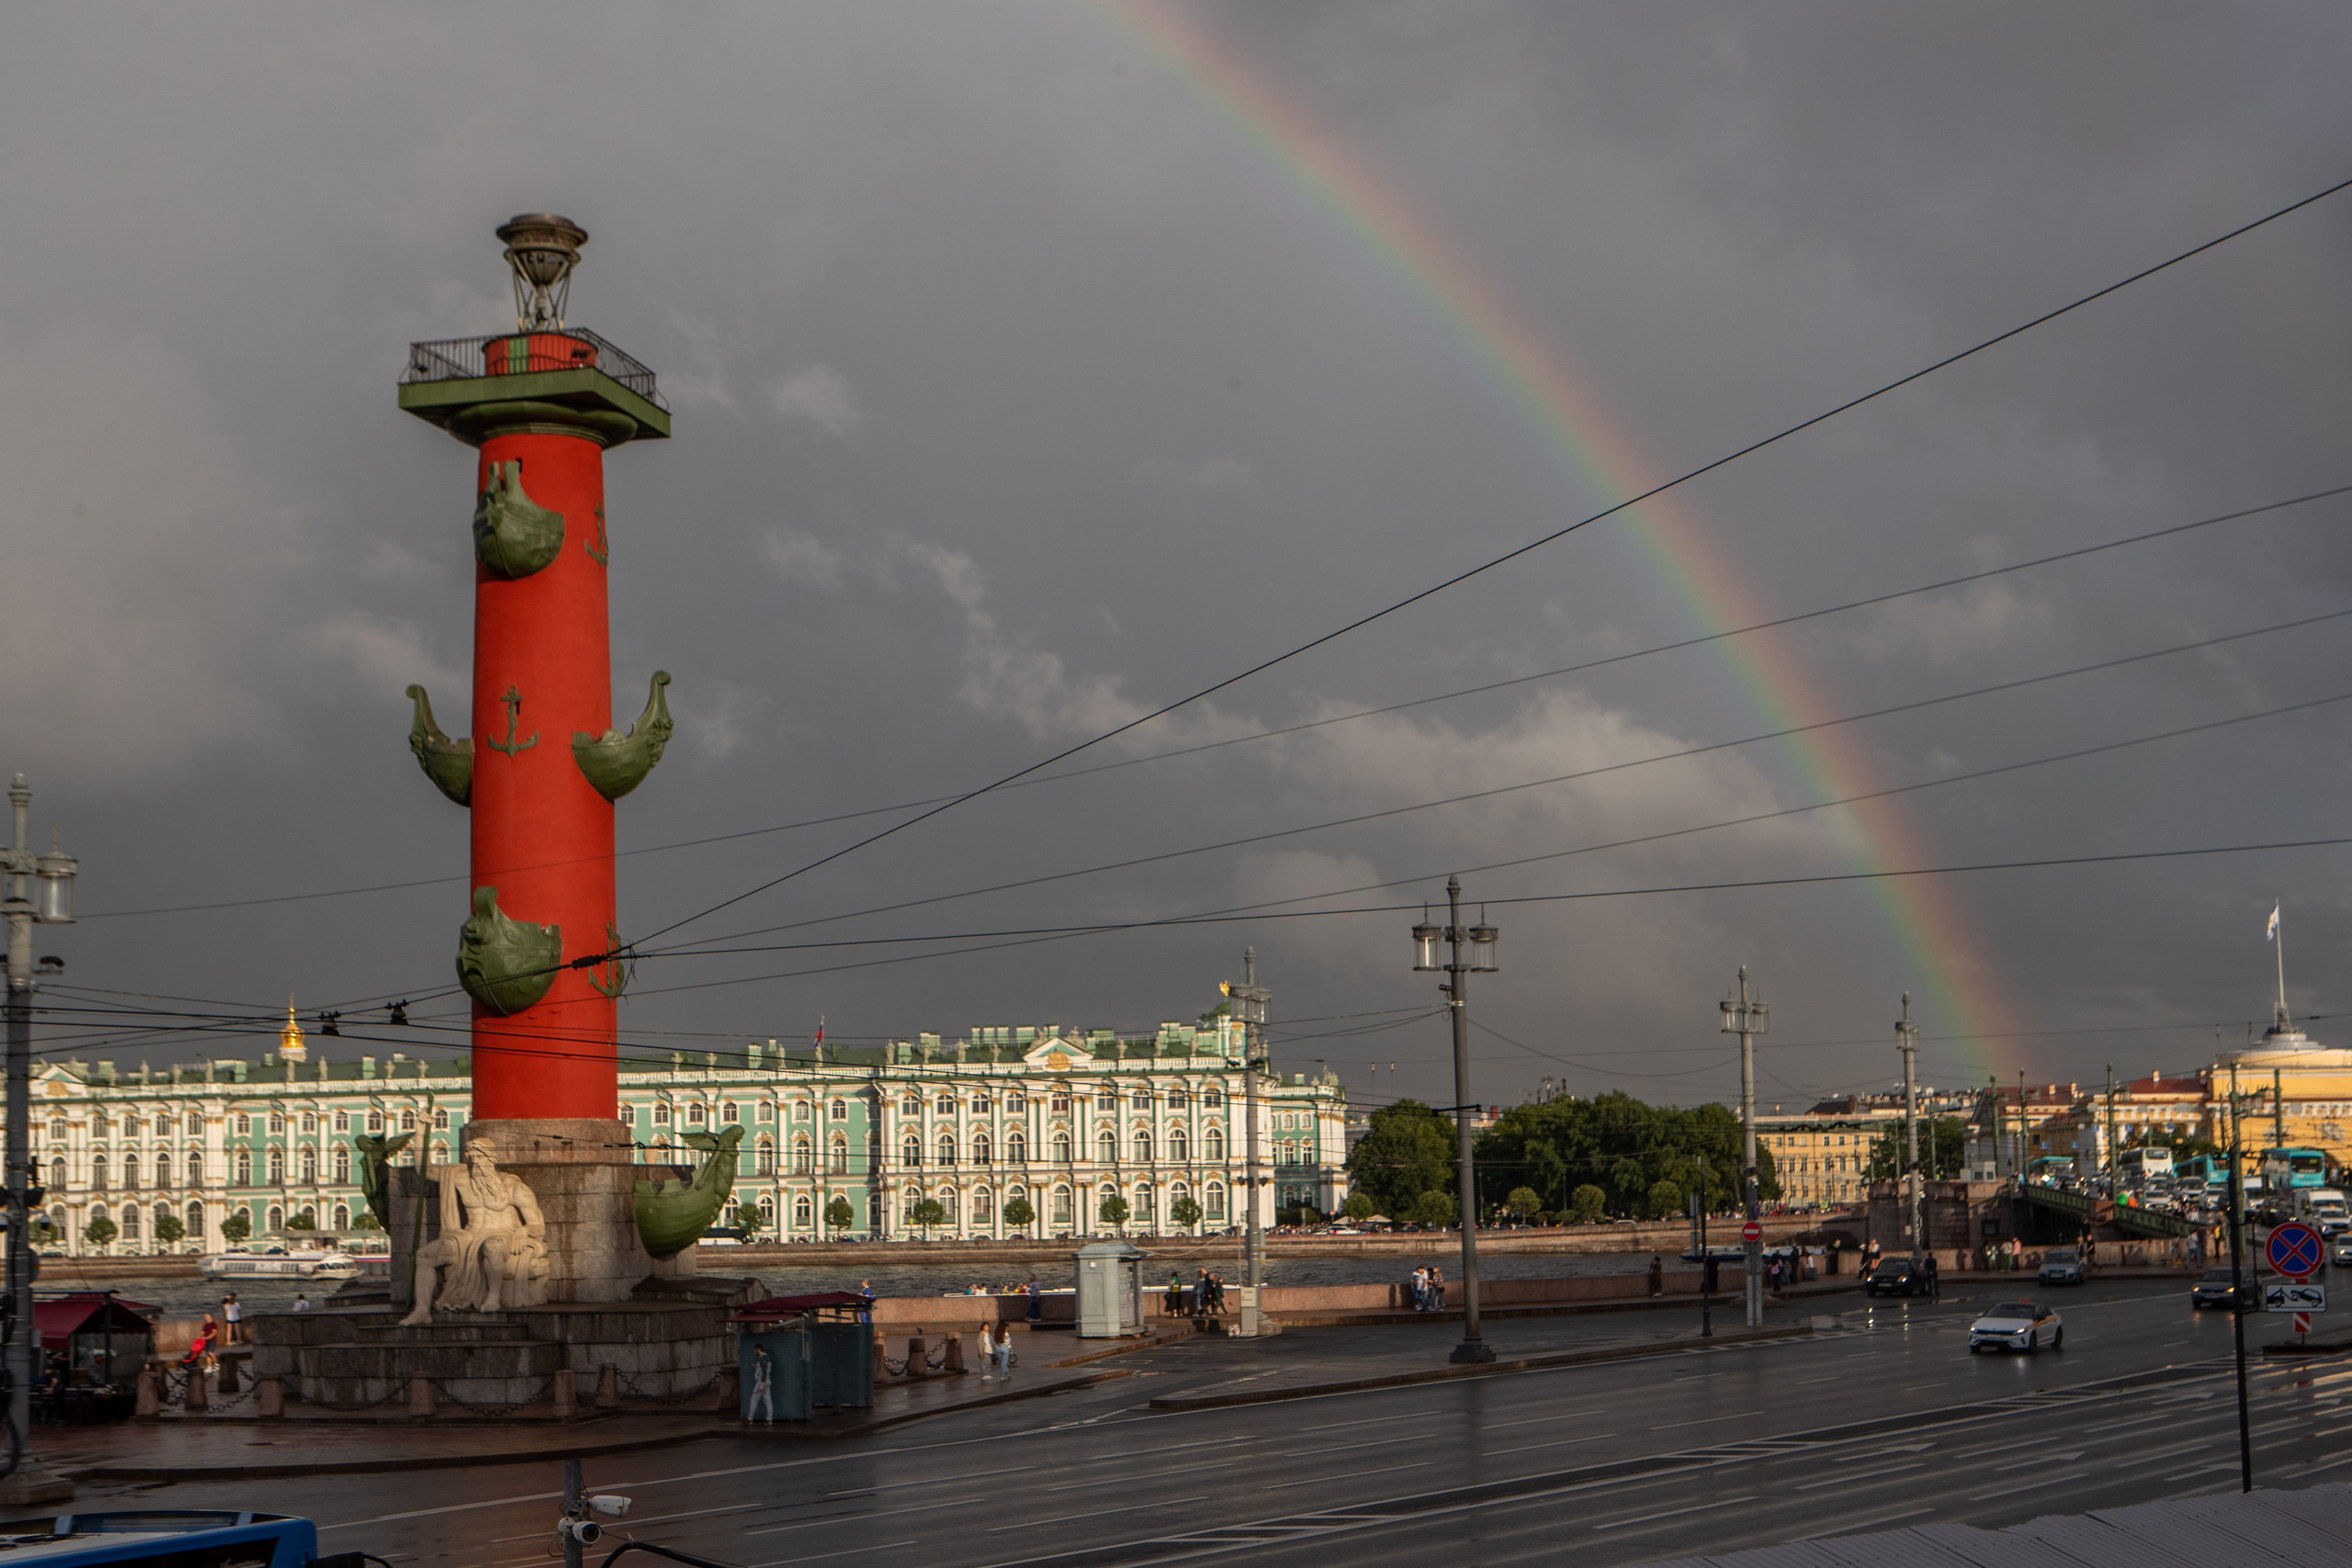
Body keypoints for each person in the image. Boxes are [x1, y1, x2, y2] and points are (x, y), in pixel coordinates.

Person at [747, 1344, 775, 1419]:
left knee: (754, 1400)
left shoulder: (763, 1358)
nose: (754, 1352)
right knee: (768, 1400)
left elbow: (764, 1371)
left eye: (755, 1351)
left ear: (758, 1349)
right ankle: (769, 1419)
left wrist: (762, 1383)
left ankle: (749, 1419)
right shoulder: (766, 1358)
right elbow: (763, 1369)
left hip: (762, 1382)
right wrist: (756, 1367)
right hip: (767, 1381)